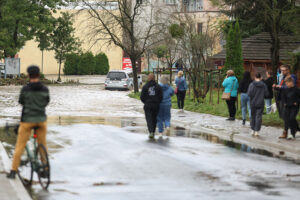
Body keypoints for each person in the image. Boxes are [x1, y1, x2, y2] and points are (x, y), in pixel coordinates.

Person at [7, 65, 50, 179]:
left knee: (20, 146)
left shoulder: (25, 89)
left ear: (29, 76)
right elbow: (46, 102)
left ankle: (13, 171)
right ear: (39, 75)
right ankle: (45, 169)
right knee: (42, 145)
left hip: (27, 121)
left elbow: (21, 101)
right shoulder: (45, 89)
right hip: (41, 121)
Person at [273, 64, 297, 139]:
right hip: (283, 99)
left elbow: (291, 86)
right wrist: (276, 87)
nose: (282, 72)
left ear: (288, 70)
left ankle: (289, 131)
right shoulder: (283, 78)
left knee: (288, 117)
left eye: (283, 70)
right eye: (281, 70)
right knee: (284, 116)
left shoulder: (292, 77)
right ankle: (295, 128)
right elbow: (282, 88)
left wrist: (281, 87)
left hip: (290, 100)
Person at [141, 73, 163, 139]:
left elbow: (142, 97)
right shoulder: (158, 87)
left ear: (149, 78)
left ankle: (151, 131)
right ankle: (153, 131)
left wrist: (146, 102)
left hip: (148, 105)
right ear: (154, 78)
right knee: (154, 118)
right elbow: (161, 96)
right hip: (156, 105)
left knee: (149, 119)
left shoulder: (145, 86)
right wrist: (158, 102)